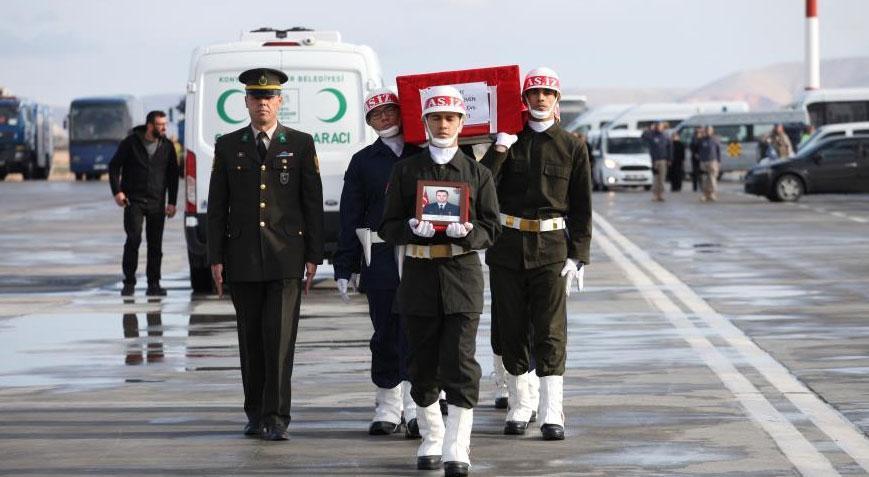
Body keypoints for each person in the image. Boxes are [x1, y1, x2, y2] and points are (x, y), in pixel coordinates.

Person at [380, 85, 500, 476]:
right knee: (421, 364)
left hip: (462, 279)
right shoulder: (406, 171)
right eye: (436, 118)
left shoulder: (477, 173)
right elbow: (387, 225)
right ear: (425, 122)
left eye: (450, 118)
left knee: (461, 363)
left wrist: (470, 233)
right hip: (418, 279)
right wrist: (412, 228)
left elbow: (492, 228)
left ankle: (456, 445)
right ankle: (432, 436)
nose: (443, 124)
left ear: (462, 123)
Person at [206, 68, 324, 441]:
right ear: (246, 103)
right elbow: (217, 207)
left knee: (279, 341)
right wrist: (215, 256)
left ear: (280, 102)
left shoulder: (301, 144)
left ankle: (276, 417)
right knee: (250, 340)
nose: (262, 104)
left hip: (286, 257)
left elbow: (312, 203)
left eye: (269, 97)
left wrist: (314, 255)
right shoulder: (228, 145)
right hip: (241, 257)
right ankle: (254, 413)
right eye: (256, 98)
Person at [481, 67, 592, 441]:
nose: (541, 98)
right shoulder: (509, 141)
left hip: (552, 250)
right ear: (524, 100)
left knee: (550, 330)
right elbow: (481, 185)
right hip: (508, 246)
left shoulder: (573, 145)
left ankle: (551, 409)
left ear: (557, 99)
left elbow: (582, 207)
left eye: (548, 93)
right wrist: (500, 148)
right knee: (511, 328)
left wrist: (579, 255)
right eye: (534, 93)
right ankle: (520, 402)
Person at [332, 88, 422, 437]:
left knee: (417, 332)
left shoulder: (424, 153)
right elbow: (349, 215)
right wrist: (345, 265)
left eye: (390, 112)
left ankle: (418, 406)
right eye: (376, 115)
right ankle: (388, 404)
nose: (384, 118)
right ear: (369, 122)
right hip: (381, 256)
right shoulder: (363, 161)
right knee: (385, 331)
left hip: (418, 255)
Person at [109, 110, 179, 297]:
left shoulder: (167, 146)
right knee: (134, 239)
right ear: (150, 126)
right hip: (134, 201)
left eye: (165, 124)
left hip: (157, 202)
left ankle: (154, 283)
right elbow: (114, 166)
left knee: (155, 245)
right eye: (160, 125)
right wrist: (117, 192)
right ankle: (129, 282)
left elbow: (173, 176)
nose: (164, 128)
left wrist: (172, 202)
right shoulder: (131, 143)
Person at [644, 122, 672, 201]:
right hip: (655, 160)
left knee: (662, 178)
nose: (659, 128)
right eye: (657, 126)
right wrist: (649, 129)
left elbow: (670, 148)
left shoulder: (666, 136)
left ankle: (661, 194)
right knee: (656, 178)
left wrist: (670, 159)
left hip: (663, 160)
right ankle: (655, 194)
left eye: (660, 126)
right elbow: (643, 137)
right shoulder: (652, 135)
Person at [698, 125, 722, 202]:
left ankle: (712, 194)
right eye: (706, 130)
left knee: (712, 179)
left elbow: (718, 151)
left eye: (709, 130)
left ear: (712, 131)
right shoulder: (701, 140)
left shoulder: (715, 140)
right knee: (705, 179)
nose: (708, 131)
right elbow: (696, 149)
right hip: (704, 161)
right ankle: (705, 194)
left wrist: (719, 161)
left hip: (713, 161)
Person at [689, 128, 704, 192]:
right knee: (695, 173)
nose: (698, 134)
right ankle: (695, 187)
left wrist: (700, 155)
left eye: (699, 132)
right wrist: (695, 154)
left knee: (701, 173)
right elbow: (691, 147)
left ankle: (702, 187)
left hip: (702, 158)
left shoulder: (703, 140)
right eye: (697, 132)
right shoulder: (693, 140)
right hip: (694, 158)